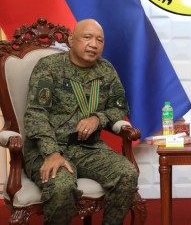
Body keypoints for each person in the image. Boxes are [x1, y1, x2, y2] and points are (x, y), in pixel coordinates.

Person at [24, 19, 139, 225]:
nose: (93, 44)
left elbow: (120, 107)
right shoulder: (49, 67)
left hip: (88, 148)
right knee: (61, 186)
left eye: (99, 40)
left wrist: (98, 118)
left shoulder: (106, 70)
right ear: (71, 40)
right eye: (87, 37)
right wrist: (51, 153)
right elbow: (36, 114)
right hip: (48, 148)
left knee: (126, 174)